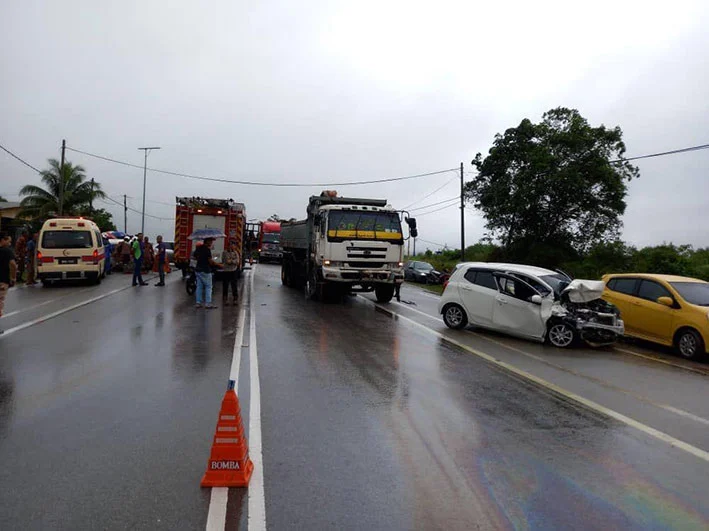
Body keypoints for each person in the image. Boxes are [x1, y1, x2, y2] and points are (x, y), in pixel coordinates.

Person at [194, 237, 222, 309]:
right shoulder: (207, 250)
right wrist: (219, 265)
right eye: (211, 241)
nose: (212, 242)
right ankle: (208, 303)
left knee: (199, 287)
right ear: (207, 242)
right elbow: (210, 262)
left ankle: (198, 302)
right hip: (205, 270)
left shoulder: (199, 248)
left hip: (198, 269)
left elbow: (195, 256)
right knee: (208, 287)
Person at [0, 231, 18, 334]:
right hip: (2, 280)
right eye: (8, 240)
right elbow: (13, 265)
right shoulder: (7, 251)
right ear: (2, 240)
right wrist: (13, 278)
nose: (9, 243)